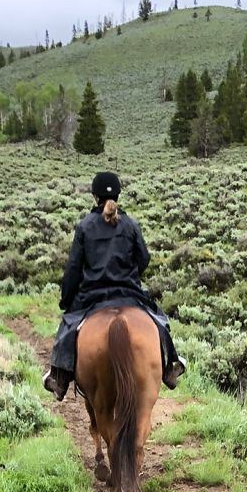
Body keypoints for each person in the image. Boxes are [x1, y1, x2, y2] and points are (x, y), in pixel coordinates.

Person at [43, 171, 186, 400]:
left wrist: (66, 299)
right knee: (159, 321)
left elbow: (73, 269)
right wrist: (128, 274)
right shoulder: (130, 224)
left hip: (92, 297)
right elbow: (144, 259)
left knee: (68, 328)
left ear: (94, 196)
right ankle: (170, 366)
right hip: (128, 294)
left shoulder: (85, 226)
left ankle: (59, 378)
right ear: (118, 195)